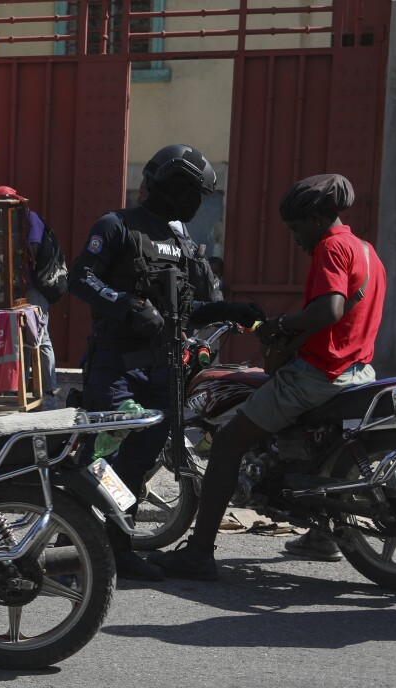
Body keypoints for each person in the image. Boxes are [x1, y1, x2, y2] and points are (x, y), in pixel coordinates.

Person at [152, 174, 385, 579]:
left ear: (315, 217)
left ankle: (199, 553)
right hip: (358, 371)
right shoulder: (365, 250)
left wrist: (278, 325)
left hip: (318, 374)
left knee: (226, 444)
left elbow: (328, 311)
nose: (294, 239)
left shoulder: (331, 248)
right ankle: (322, 536)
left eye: (296, 229)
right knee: (318, 450)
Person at [68, 144, 260, 581]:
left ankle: (116, 549)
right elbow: (81, 278)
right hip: (116, 368)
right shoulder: (116, 226)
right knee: (103, 455)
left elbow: (191, 309)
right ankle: (67, 542)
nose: (198, 204)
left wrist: (233, 310)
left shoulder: (182, 243)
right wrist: (125, 304)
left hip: (164, 372)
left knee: (135, 466)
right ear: (171, 187)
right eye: (194, 194)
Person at [0, 186, 60, 408]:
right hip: (15, 288)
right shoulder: (0, 222)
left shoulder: (31, 218)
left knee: (40, 336)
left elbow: (32, 249)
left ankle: (49, 389)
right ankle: (28, 386)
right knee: (22, 338)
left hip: (34, 287)